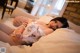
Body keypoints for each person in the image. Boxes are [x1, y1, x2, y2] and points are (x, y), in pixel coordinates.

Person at [0, 17, 69, 46]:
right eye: (55, 21)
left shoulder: (50, 30)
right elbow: (26, 24)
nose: (53, 24)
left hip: (15, 40)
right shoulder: (42, 22)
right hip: (14, 31)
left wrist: (29, 22)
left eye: (56, 26)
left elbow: (33, 34)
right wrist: (20, 30)